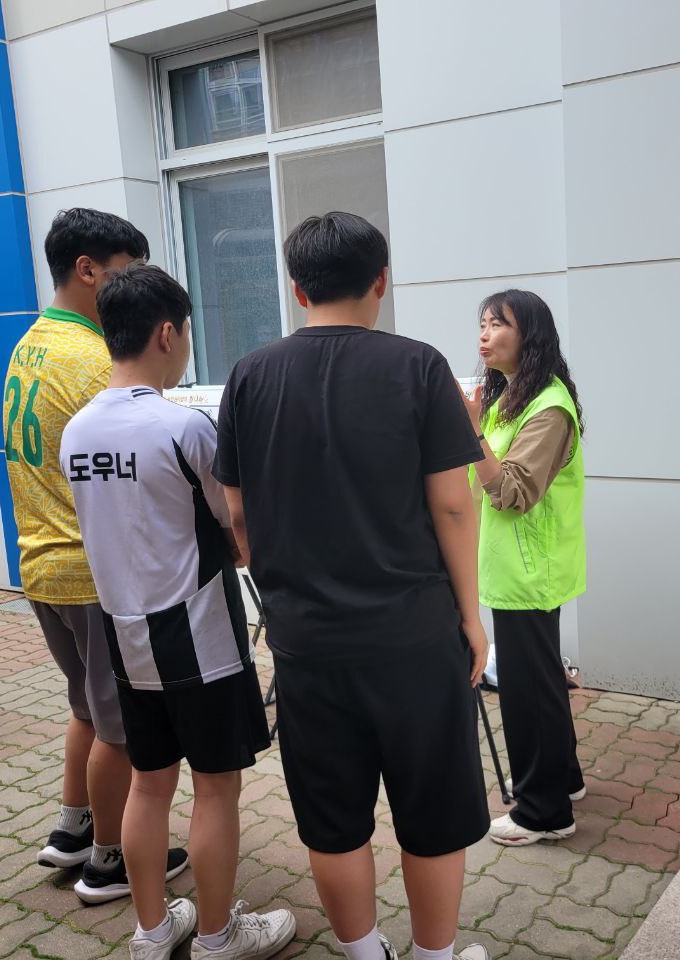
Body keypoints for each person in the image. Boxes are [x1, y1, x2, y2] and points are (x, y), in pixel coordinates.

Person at [213, 212, 491, 960]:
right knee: (432, 811)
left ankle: (367, 954)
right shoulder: (419, 367)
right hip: (414, 635)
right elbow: (454, 503)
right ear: (381, 281)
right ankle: (434, 957)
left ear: (296, 289)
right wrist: (472, 617)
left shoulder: (249, 375)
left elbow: (235, 513)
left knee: (333, 816)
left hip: (307, 644)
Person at [62, 264, 295, 960]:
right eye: (187, 331)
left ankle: (152, 932)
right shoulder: (182, 427)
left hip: (124, 634)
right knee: (216, 786)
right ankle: (221, 937)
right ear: (167, 333)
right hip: (199, 635)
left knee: (149, 782)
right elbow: (237, 526)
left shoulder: (77, 432)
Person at [4, 208, 187, 902]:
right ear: (88, 270)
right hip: (93, 574)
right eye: (126, 272)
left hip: (41, 564)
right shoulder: (92, 360)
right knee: (120, 727)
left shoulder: (31, 346)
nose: (133, 287)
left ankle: (73, 826)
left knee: (86, 707)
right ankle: (110, 861)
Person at [462, 290, 587, 847]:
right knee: (541, 683)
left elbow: (511, 492)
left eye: (498, 324)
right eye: (482, 324)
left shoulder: (548, 407)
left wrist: (470, 432)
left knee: (527, 691)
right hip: (519, 567)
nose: (484, 334)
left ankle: (543, 812)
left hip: (529, 572)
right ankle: (562, 779)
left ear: (528, 335)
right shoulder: (512, 395)